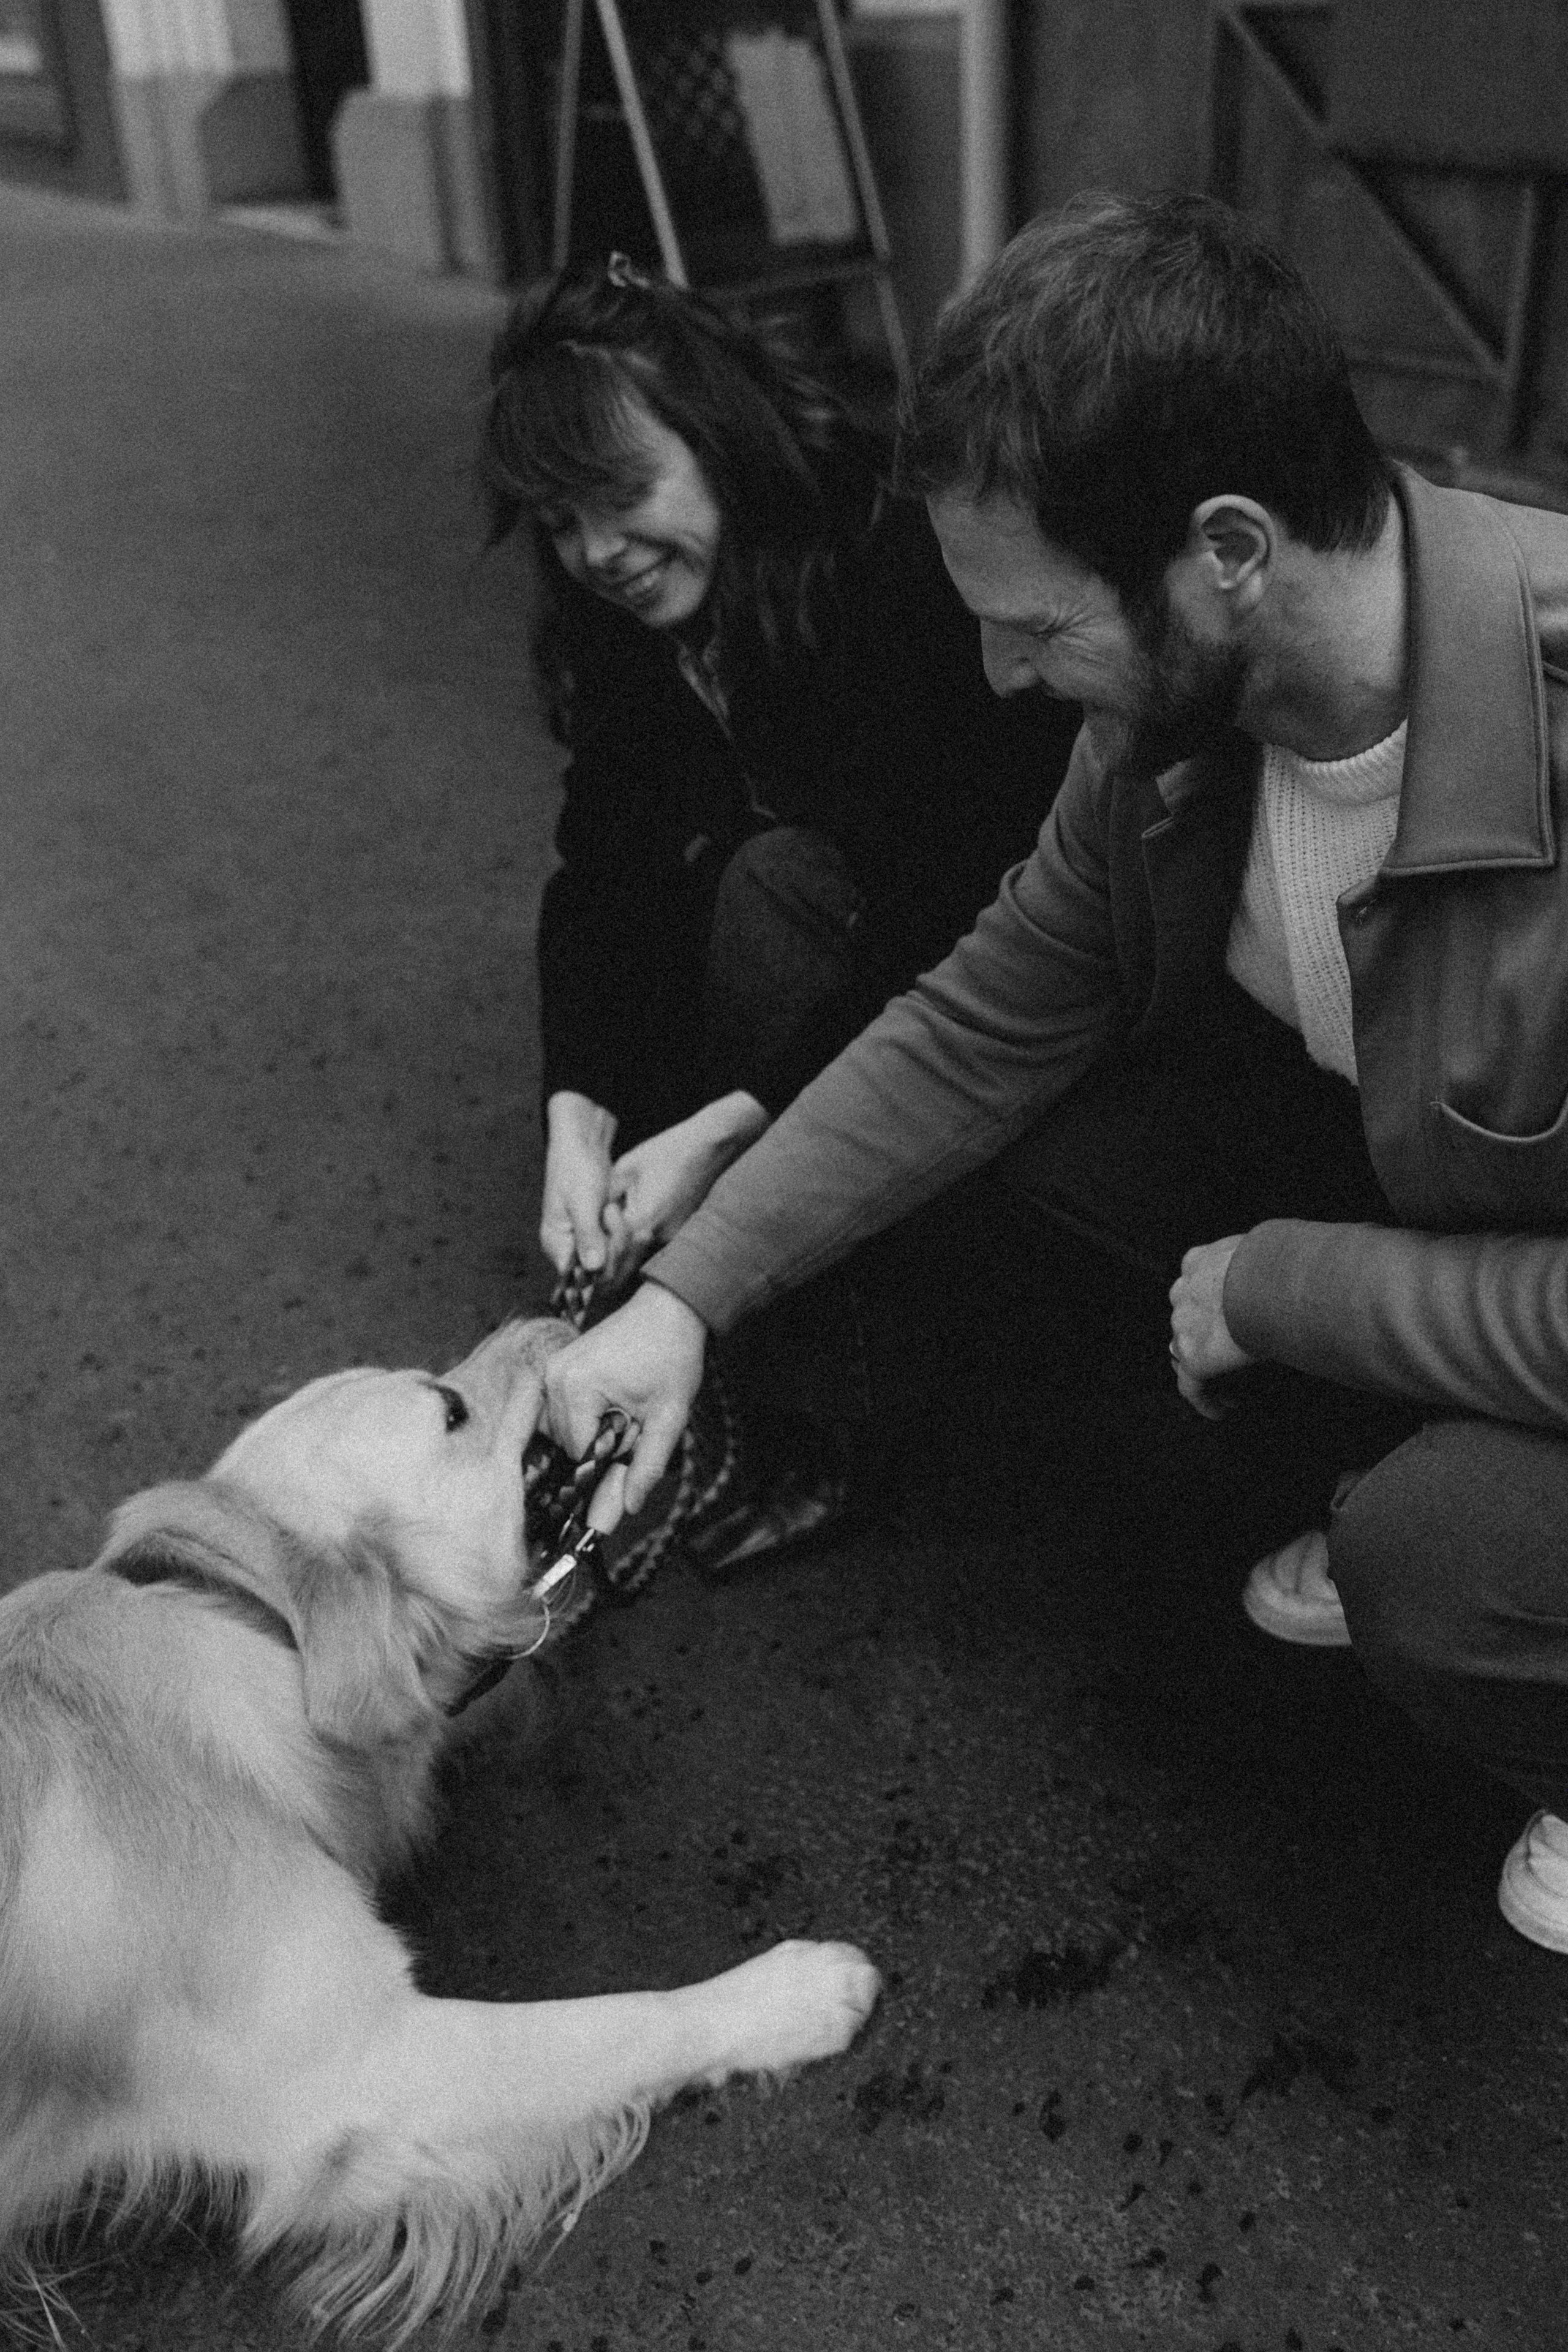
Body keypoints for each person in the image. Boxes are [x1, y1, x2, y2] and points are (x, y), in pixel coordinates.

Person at [544, 192, 1568, 1953]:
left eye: (1041, 628)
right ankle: (1377, 1439)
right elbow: (984, 1015)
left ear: (1228, 550)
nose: (1009, 682)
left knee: (1443, 1560)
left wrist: (1288, 1287)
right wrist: (682, 1304)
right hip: (1455, 1199)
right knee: (1046, 1142)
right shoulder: (1167, 714)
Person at [483, 257, 1079, 1565]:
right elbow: (602, 872)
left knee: (762, 895)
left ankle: (836, 1409)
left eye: (625, 497)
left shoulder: (889, 557)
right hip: (858, 941)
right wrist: (574, 1113)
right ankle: (711, 1285)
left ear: (720, 434)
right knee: (693, 914)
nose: (597, 554)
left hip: (994, 968)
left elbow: (958, 909)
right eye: (558, 521)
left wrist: (722, 1128)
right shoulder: (625, 611)